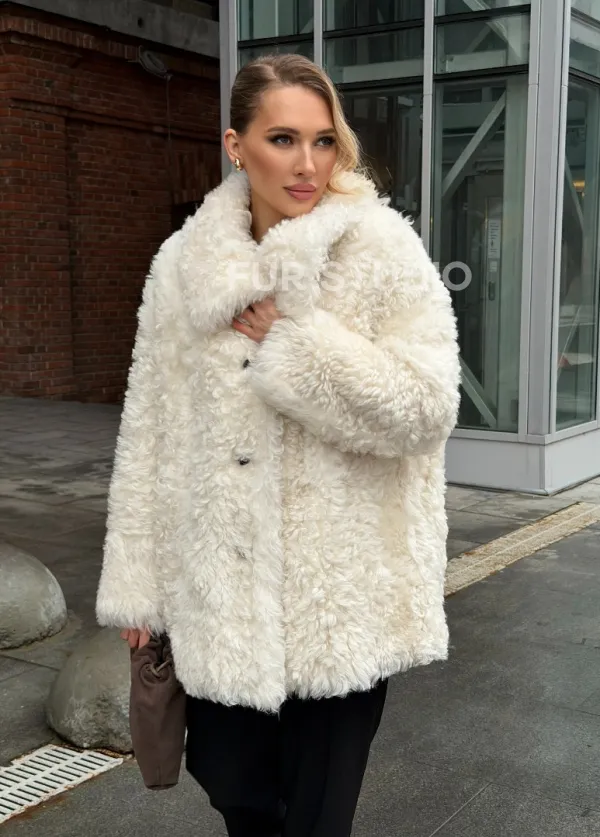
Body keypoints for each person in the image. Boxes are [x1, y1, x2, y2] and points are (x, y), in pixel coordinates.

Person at [96, 53, 460, 837]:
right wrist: (137, 584)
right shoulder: (182, 266)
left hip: (339, 600)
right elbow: (150, 429)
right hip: (221, 596)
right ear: (236, 145)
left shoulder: (379, 248)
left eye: (323, 141)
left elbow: (426, 405)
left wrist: (295, 342)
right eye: (283, 139)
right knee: (235, 789)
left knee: (318, 819)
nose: (307, 164)